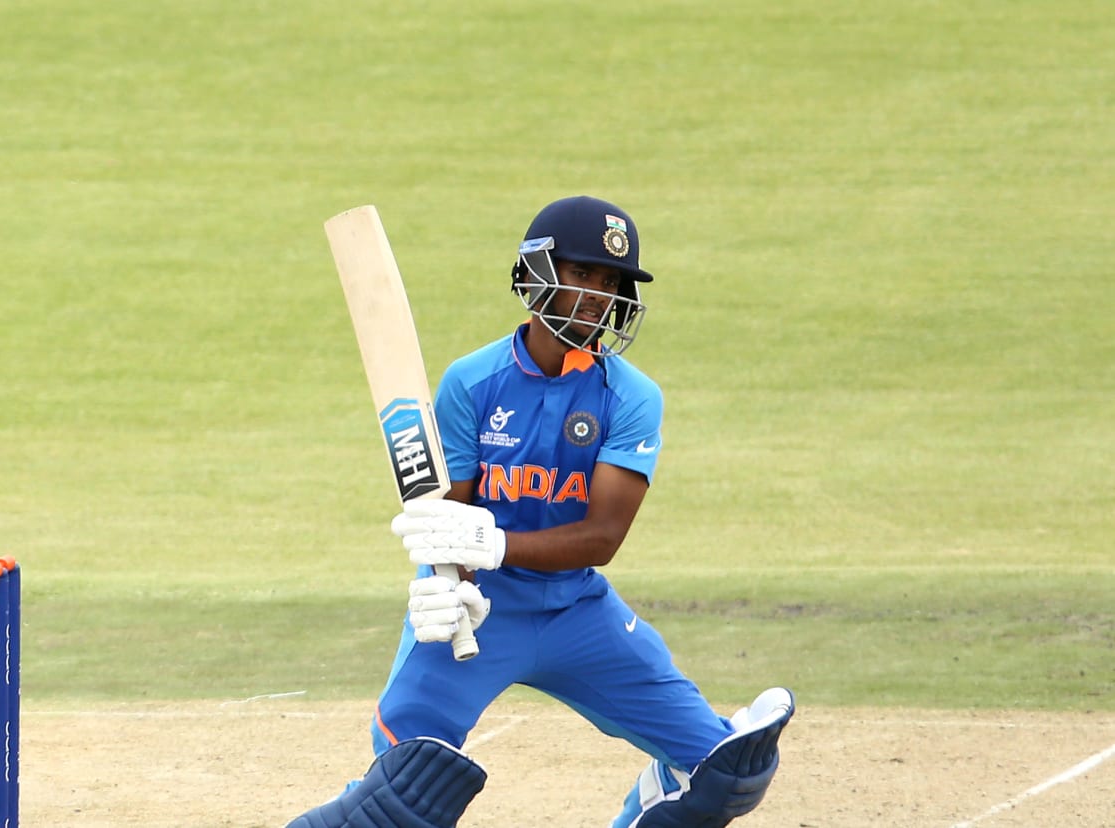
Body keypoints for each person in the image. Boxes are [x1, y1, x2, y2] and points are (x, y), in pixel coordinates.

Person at [288, 196, 794, 828]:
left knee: (728, 773)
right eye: (581, 273)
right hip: (478, 610)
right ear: (535, 273)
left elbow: (603, 535)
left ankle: (655, 795)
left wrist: (498, 548)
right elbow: (451, 518)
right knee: (401, 796)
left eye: (609, 282)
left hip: (577, 611)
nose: (597, 295)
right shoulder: (472, 384)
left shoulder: (630, 397)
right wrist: (446, 584)